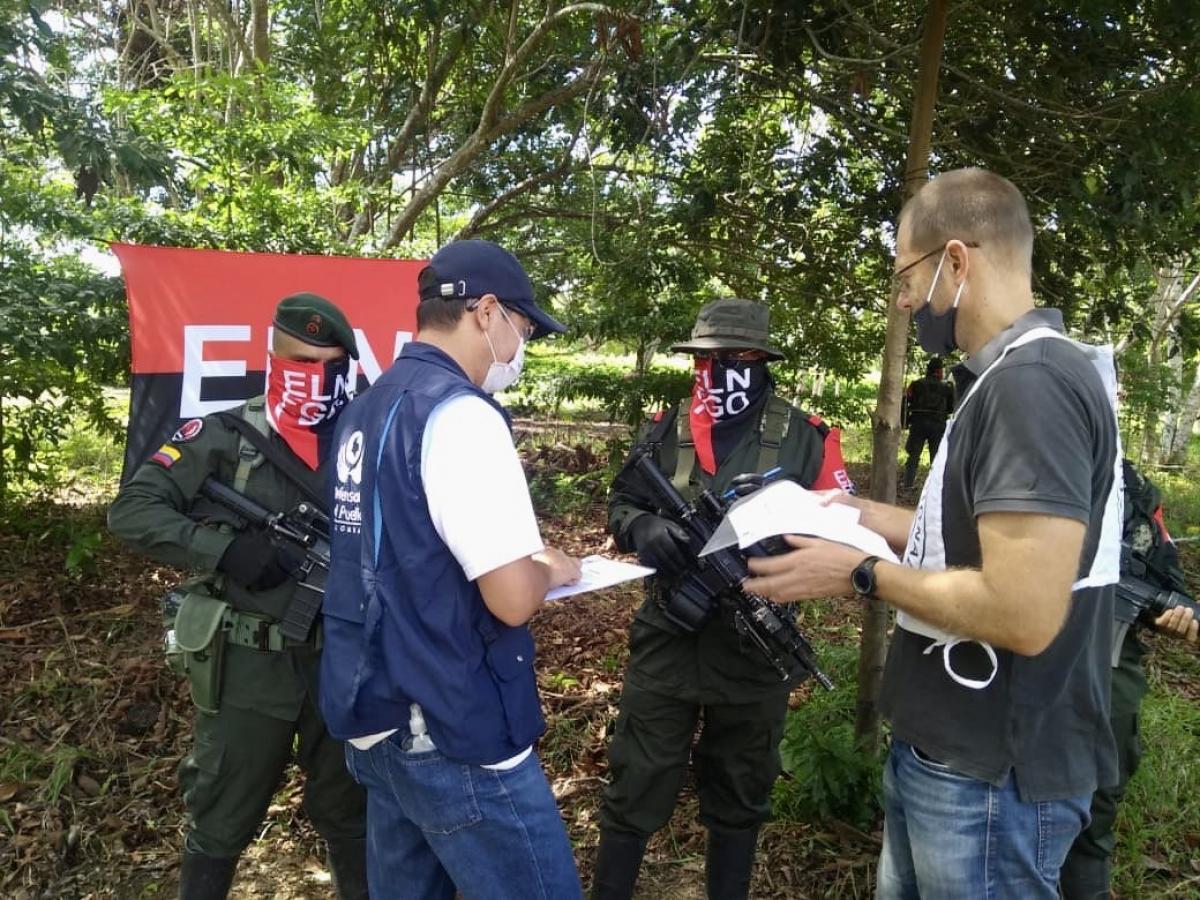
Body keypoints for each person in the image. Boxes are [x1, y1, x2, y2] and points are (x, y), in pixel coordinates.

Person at [743, 168, 1123, 899]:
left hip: (992, 774)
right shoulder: (1005, 377)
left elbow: (1023, 610)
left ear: (955, 260)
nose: (903, 299)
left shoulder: (1031, 387)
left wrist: (860, 573)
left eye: (906, 275)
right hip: (952, 754)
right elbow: (972, 539)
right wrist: (842, 511)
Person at [318, 239, 584, 900]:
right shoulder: (462, 416)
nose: (521, 347)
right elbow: (512, 598)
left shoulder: (368, 406)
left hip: (376, 714)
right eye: (524, 328)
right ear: (486, 312)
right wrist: (551, 566)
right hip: (452, 731)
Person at [592, 298, 854, 900]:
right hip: (669, 634)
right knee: (637, 779)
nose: (718, 369)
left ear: (761, 360)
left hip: (756, 643)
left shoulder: (807, 439)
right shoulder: (667, 428)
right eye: (707, 357)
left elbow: (845, 530)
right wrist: (642, 527)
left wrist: (781, 539)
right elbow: (622, 502)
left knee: (741, 788)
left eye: (735, 357)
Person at [108, 294, 367, 899]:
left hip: (345, 663)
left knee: (350, 811)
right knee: (220, 817)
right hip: (251, 667)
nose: (314, 377)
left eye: (329, 365)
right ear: (272, 357)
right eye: (299, 361)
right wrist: (223, 550)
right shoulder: (223, 435)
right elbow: (133, 511)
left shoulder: (366, 434)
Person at [1060, 458, 1198, 898]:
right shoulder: (1027, 456)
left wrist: (1170, 616)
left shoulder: (1133, 486)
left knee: (1094, 813)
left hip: (1108, 669)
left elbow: (1166, 580)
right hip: (1019, 661)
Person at [901, 355, 955, 489]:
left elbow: (905, 402)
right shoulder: (947, 388)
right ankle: (936, 488)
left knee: (913, 457)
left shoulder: (916, 385)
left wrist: (904, 422)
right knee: (936, 459)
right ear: (938, 371)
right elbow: (951, 408)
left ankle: (908, 484)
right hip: (937, 425)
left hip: (918, 424)